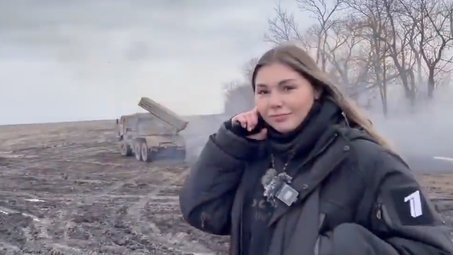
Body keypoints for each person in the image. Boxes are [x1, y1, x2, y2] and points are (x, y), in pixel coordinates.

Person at [179, 44, 453, 255]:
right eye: (263, 92)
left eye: (287, 88)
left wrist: (338, 249)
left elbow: (432, 249)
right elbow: (203, 212)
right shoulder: (254, 155)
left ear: (316, 90)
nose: (274, 102)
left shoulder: (368, 161)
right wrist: (229, 146)